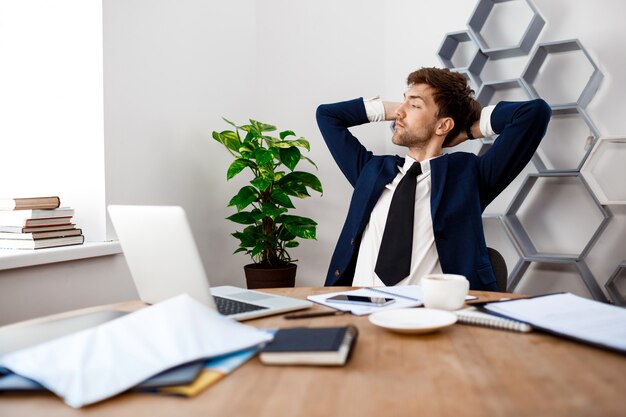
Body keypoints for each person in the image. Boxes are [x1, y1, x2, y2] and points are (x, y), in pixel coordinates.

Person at [316, 67, 551, 291]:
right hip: (359, 311)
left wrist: (468, 130)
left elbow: (534, 113)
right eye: (403, 100)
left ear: (443, 124)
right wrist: (399, 109)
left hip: (431, 317)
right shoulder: (371, 170)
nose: (400, 111)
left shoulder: (469, 178)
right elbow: (327, 115)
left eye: (415, 104)